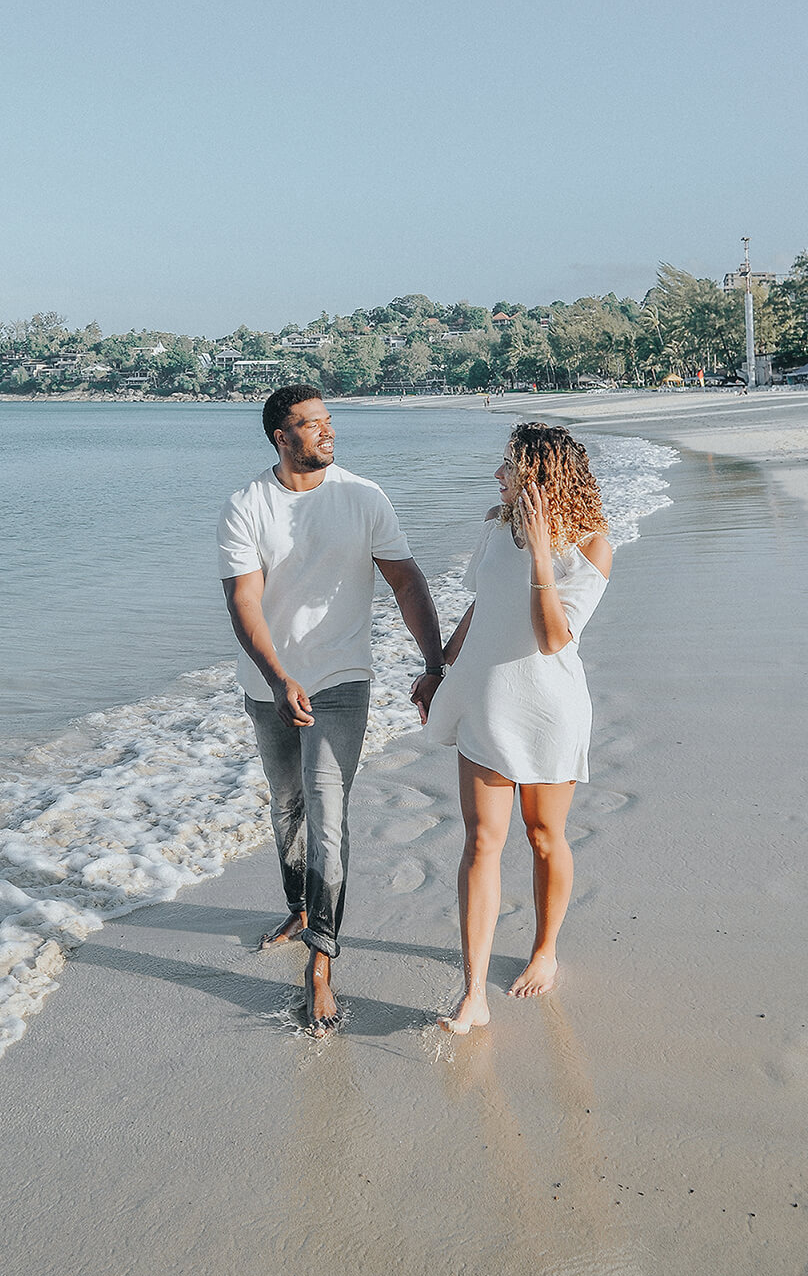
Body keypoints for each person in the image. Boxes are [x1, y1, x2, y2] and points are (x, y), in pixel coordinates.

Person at [218, 386, 444, 1034]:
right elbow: (244, 604)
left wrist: (433, 665)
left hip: (343, 680)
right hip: (269, 684)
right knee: (286, 803)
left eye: (328, 421)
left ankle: (322, 961)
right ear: (279, 438)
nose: (327, 432)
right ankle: (298, 906)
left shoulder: (364, 497)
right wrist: (279, 675)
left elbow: (406, 580)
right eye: (309, 425)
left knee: (328, 813)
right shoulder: (246, 506)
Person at [426, 422, 613, 1033]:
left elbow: (554, 636)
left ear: (539, 474)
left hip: (548, 707)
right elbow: (481, 603)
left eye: (509, 465)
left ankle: (545, 949)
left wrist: (538, 553)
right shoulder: (493, 522)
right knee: (481, 840)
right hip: (485, 699)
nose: (497, 475)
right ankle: (473, 991)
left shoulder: (590, 542)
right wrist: (439, 666)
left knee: (541, 836)